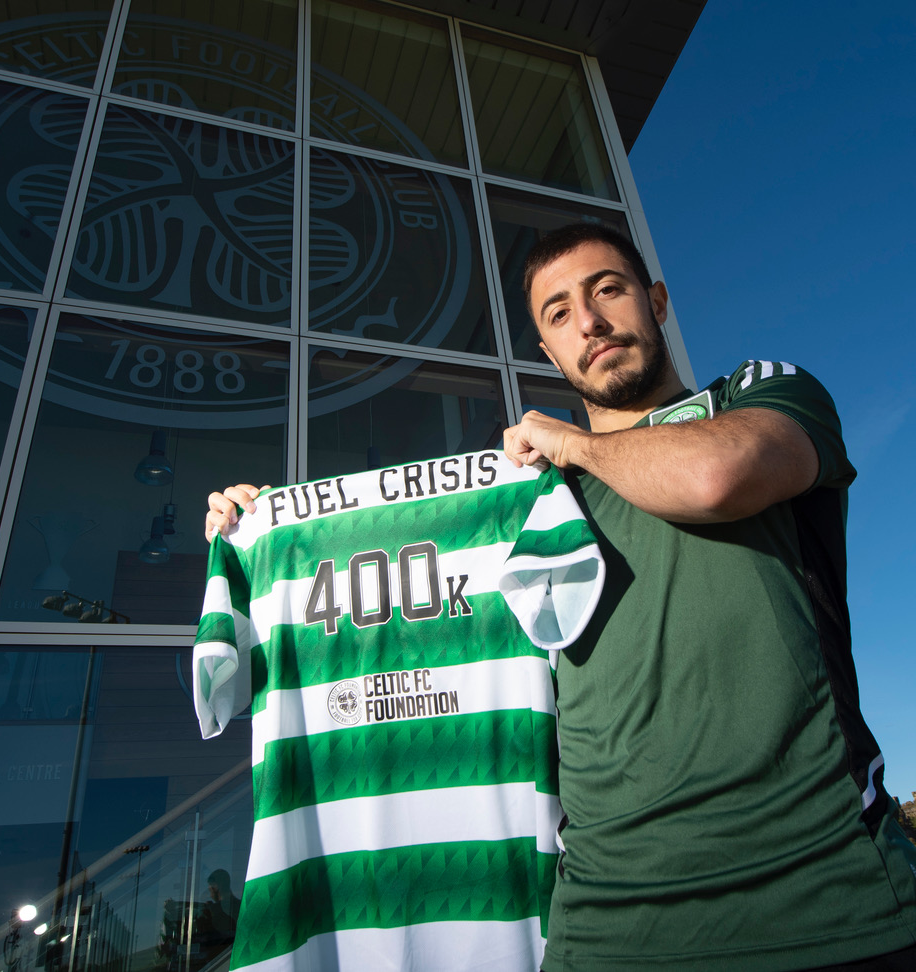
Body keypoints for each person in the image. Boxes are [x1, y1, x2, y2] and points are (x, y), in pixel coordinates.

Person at [205, 223, 916, 970]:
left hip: (829, 901)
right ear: (547, 352)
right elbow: (393, 629)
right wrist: (268, 536)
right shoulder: (531, 499)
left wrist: (572, 444)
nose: (590, 322)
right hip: (603, 928)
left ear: (657, 301)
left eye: (607, 289)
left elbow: (719, 478)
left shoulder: (754, 394)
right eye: (559, 312)